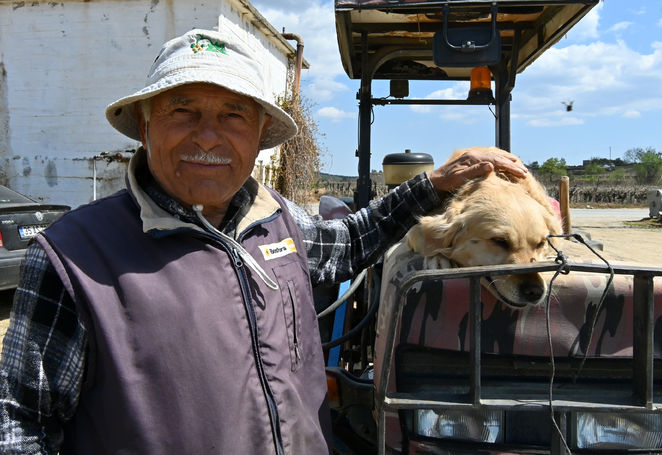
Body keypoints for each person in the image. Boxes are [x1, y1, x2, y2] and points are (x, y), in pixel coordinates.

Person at [0, 29, 527, 454]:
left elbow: (348, 243)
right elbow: (20, 424)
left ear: (258, 135)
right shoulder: (73, 257)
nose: (208, 136)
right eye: (182, 110)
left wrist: (434, 184)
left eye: (233, 114)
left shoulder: (279, 220)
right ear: (144, 124)